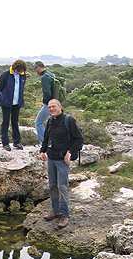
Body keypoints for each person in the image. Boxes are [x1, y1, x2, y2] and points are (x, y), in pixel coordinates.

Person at [39, 99, 83, 229]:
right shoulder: (50, 121)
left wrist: (70, 152)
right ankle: (55, 210)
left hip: (62, 160)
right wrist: (43, 150)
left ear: (60, 107)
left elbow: (79, 139)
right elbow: (46, 138)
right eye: (49, 107)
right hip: (51, 158)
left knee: (62, 186)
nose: (51, 109)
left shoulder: (69, 120)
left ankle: (64, 214)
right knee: (52, 185)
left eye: (54, 106)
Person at [0, 59, 26, 151]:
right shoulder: (6, 75)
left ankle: (17, 142)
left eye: (22, 71)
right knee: (5, 122)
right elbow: (0, 89)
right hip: (6, 102)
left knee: (15, 122)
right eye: (19, 70)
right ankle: (5, 143)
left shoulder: (23, 76)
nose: (20, 72)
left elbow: (21, 89)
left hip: (17, 103)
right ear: (15, 68)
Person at [33, 60, 55, 144]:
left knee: (38, 123)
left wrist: (47, 104)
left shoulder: (44, 77)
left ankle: (44, 143)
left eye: (35, 68)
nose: (35, 71)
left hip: (49, 104)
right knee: (53, 125)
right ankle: (52, 142)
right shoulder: (51, 74)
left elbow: (47, 93)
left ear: (39, 67)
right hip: (56, 103)